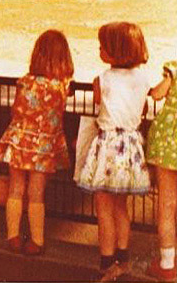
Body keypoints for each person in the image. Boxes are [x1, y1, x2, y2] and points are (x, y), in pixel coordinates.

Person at [76, 22, 167, 282]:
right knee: (121, 208)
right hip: (131, 147)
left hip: (107, 146)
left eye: (103, 46)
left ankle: (106, 262)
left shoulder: (102, 79)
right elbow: (152, 96)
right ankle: (123, 259)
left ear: (114, 51)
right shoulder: (142, 78)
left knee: (103, 208)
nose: (99, 49)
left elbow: (97, 101)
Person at [0, 30, 75, 255]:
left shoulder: (25, 82)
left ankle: (13, 236)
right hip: (44, 145)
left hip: (20, 140)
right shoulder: (62, 85)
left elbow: (15, 110)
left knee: (16, 188)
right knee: (36, 193)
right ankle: (37, 240)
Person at [146, 58, 177, 281]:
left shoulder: (174, 70)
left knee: (166, 206)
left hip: (168, 145)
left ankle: (167, 264)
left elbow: (156, 95)